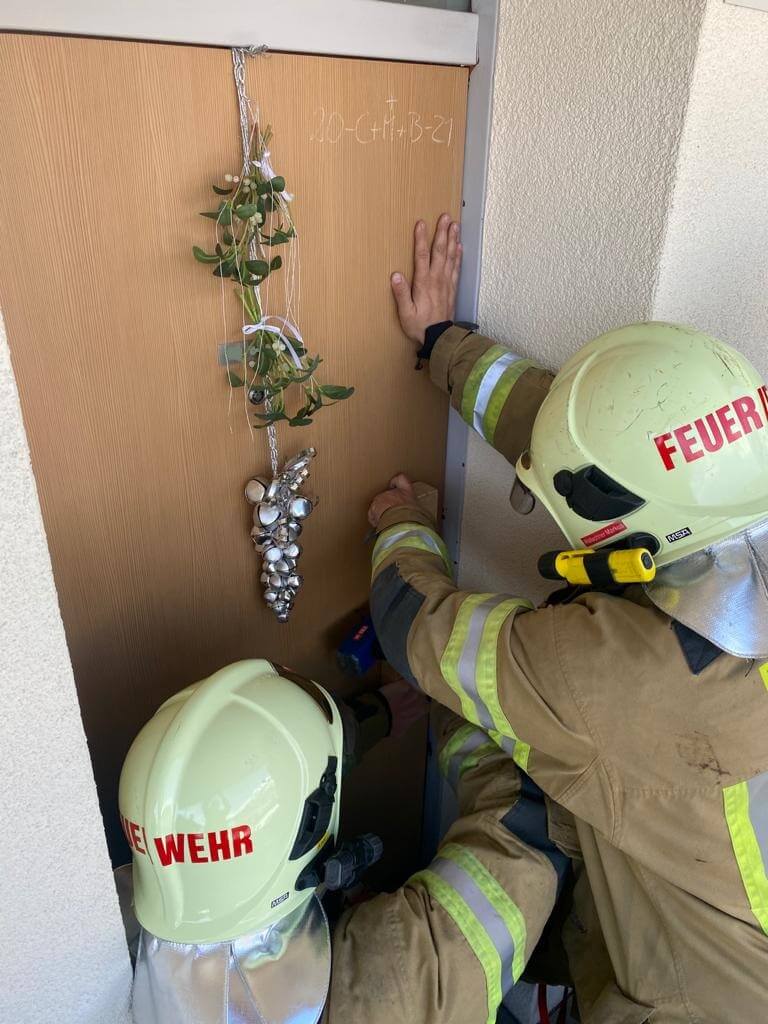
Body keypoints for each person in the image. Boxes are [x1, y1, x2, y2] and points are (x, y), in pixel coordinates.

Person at [367, 214, 768, 1022]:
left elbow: (417, 625)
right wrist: (443, 343)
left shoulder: (619, 676)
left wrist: (399, 523)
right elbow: (589, 441)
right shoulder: (726, 489)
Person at [119, 659, 568, 1024]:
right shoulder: (398, 984)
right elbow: (523, 828)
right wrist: (445, 698)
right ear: (308, 831)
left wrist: (379, 714)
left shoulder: (124, 932)